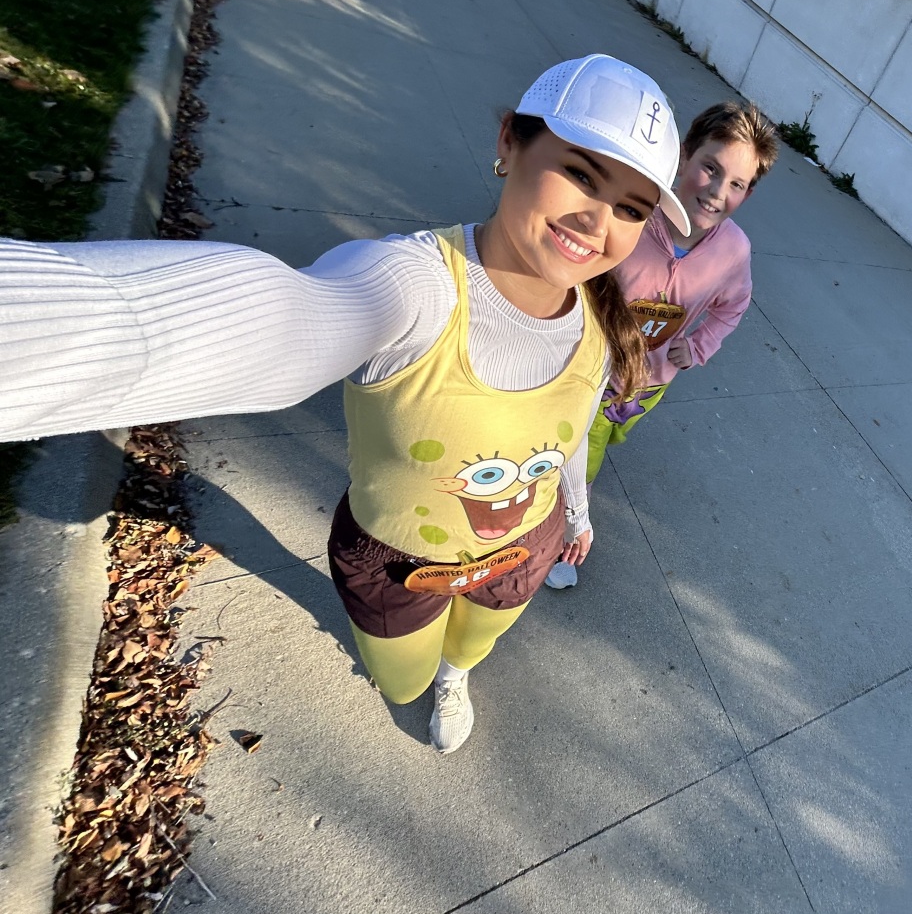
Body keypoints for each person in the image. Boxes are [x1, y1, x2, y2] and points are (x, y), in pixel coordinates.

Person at [0, 53, 690, 754]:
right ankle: (430, 674)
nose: (598, 220)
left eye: (632, 208)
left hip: (525, 547)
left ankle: (459, 673)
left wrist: (575, 510)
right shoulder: (417, 286)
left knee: (471, 646)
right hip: (398, 562)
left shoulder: (603, 321)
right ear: (509, 141)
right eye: (580, 173)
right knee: (401, 679)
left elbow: (567, 434)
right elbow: (289, 316)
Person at [544, 100, 779, 589]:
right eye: (710, 169)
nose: (716, 192)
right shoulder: (632, 214)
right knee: (575, 460)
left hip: (649, 385)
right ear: (684, 155)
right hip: (589, 380)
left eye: (736, 184)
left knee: (605, 443)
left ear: (749, 193)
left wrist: (697, 348)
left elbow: (731, 307)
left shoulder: (733, 251)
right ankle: (563, 537)